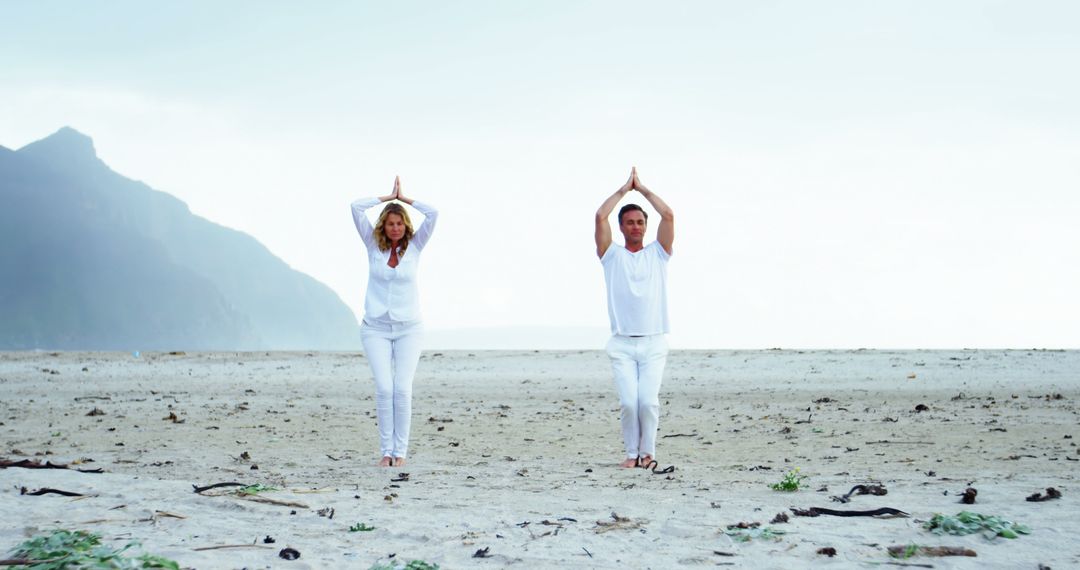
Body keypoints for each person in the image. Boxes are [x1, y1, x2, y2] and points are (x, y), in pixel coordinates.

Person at [351, 176, 438, 467]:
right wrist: (388, 198)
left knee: (402, 389)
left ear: (406, 226)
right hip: (375, 327)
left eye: (400, 223)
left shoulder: (415, 247)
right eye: (391, 223)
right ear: (384, 226)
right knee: (384, 389)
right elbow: (355, 207)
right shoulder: (371, 246)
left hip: (408, 329)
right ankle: (386, 452)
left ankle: (400, 453)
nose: (396, 228)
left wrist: (406, 199)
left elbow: (434, 213)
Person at [594, 167, 675, 468]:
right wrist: (623, 191)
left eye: (640, 222)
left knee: (648, 402)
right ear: (622, 227)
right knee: (630, 403)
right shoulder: (611, 256)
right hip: (622, 344)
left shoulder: (658, 254)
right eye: (630, 223)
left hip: (654, 342)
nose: (636, 227)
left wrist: (642, 190)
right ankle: (631, 454)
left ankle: (648, 453)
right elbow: (600, 217)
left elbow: (668, 216)